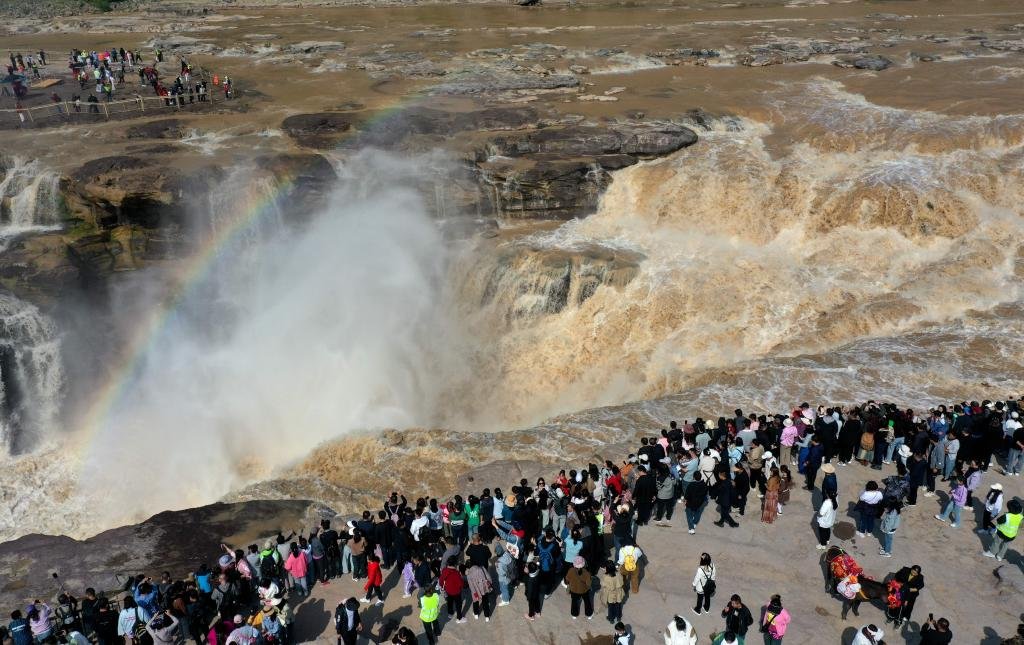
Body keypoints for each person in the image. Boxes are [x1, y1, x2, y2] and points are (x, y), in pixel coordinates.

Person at [565, 556, 593, 620]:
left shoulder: (571, 570)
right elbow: (588, 583)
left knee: (574, 602)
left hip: (574, 590)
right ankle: (589, 614)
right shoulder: (586, 573)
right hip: (584, 590)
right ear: (583, 564)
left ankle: (574, 615)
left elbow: (567, 579)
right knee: (587, 602)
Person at [438, 557, 465, 622]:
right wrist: (462, 587)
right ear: (455, 564)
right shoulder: (456, 573)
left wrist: (443, 586)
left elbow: (441, 581)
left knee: (449, 602)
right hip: (456, 592)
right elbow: (460, 583)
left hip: (448, 591)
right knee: (458, 604)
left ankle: (450, 613)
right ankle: (459, 618)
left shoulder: (444, 570)